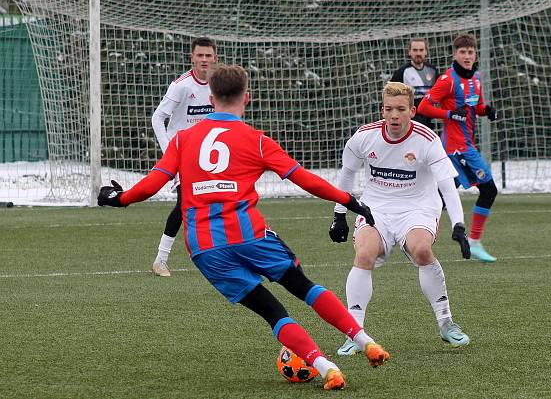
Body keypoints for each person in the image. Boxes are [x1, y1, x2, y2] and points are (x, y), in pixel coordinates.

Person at [98, 64, 390, 390]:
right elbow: (303, 178)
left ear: (211, 98)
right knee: (303, 286)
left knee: (271, 311)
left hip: (205, 248)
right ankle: (365, 341)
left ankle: (325, 368)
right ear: (246, 98)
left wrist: (118, 198)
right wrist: (348, 200)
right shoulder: (257, 140)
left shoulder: (182, 139)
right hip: (249, 235)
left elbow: (152, 184)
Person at [328, 81, 473, 356]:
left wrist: (459, 224)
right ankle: (354, 334)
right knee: (364, 254)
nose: (394, 115)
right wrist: (339, 215)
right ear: (382, 110)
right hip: (376, 208)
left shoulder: (427, 139)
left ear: (413, 111)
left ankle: (446, 324)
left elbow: (446, 186)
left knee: (422, 250)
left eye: (401, 109)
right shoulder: (363, 137)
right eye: (389, 109)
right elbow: (346, 175)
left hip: (417, 207)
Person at [417, 33, 499, 262]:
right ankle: (473, 241)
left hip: (465, 145)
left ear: (475, 55)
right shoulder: (447, 80)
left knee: (439, 197)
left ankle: (414, 234)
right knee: (489, 189)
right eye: (462, 52)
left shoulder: (476, 79)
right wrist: (449, 114)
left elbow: (477, 106)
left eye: (470, 52)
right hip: (456, 148)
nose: (466, 56)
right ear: (455, 54)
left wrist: (487, 111)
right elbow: (424, 107)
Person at [149, 37, 218, 277]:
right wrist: (170, 153)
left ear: (215, 58)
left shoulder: (219, 85)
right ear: (192, 58)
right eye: (200, 55)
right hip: (182, 154)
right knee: (185, 202)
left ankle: (216, 254)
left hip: (208, 155)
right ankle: (161, 259)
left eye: (208, 56)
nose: (204, 60)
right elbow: (157, 118)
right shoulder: (181, 86)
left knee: (216, 201)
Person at [390, 38, 439, 129]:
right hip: (409, 120)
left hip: (429, 120)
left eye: (421, 50)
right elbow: (390, 96)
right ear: (409, 52)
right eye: (415, 50)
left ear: (426, 52)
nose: (418, 53)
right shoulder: (402, 72)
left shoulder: (433, 70)